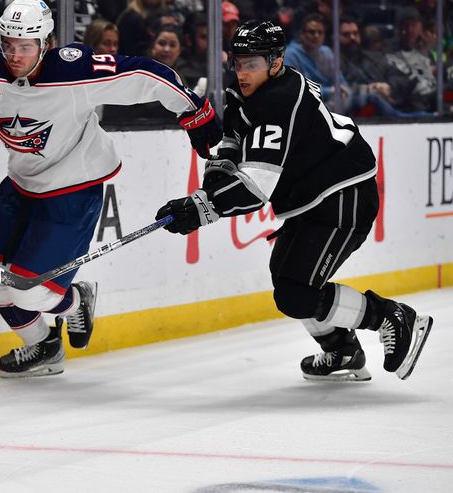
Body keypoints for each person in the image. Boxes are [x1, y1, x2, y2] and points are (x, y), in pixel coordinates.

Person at [0, 0, 222, 378]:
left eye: (24, 46)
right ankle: (42, 345)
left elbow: (144, 75)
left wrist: (193, 108)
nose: (14, 55)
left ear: (46, 43)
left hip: (75, 187)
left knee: (28, 290)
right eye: (7, 44)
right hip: (21, 184)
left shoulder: (74, 71)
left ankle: (76, 302)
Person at [154, 20, 433, 383]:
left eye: (251, 63)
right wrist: (212, 182)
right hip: (308, 197)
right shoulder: (248, 89)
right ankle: (341, 350)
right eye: (238, 62)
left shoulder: (281, 99)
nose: (242, 72)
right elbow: (232, 142)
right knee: (287, 281)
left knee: (297, 293)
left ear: (275, 62)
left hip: (342, 194)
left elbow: (257, 186)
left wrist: (201, 207)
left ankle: (391, 316)